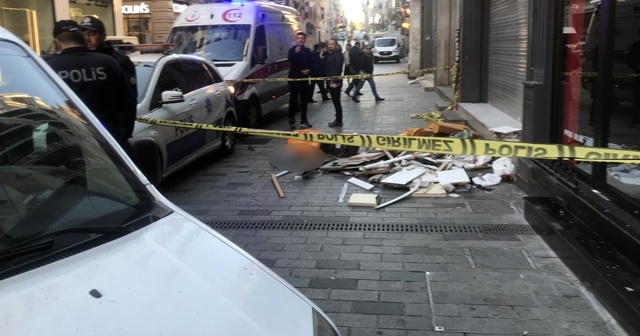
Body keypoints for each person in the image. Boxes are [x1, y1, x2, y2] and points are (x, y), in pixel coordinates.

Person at [46, 20, 134, 145]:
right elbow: (126, 104)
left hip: (67, 140)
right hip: (108, 139)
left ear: (58, 43)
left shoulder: (49, 67)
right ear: (82, 39)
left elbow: (45, 107)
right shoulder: (109, 63)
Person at [79, 16, 137, 138]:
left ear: (104, 36)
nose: (87, 39)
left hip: (112, 129)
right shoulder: (80, 60)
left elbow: (129, 100)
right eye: (83, 35)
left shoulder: (120, 60)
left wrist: (124, 131)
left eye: (92, 34)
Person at [287, 32, 314, 129]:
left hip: (304, 79)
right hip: (294, 79)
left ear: (305, 40)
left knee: (304, 101)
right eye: (299, 38)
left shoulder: (307, 51)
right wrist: (295, 53)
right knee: (293, 100)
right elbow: (290, 59)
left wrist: (309, 70)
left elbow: (312, 63)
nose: (300, 40)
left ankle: (304, 120)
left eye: (302, 38)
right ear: (296, 39)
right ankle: (291, 120)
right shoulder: (292, 50)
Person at [324, 39, 344, 127]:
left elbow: (338, 69)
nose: (330, 46)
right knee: (335, 101)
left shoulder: (338, 55)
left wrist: (335, 82)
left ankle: (338, 120)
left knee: (336, 101)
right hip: (330, 80)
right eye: (329, 44)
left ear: (336, 45)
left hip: (335, 82)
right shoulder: (329, 54)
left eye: (332, 44)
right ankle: (338, 119)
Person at [627, 28, 640, 126]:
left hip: (637, 76)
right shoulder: (636, 46)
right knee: (637, 100)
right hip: (638, 77)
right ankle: (635, 120)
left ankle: (635, 120)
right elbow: (629, 60)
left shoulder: (635, 45)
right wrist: (636, 66)